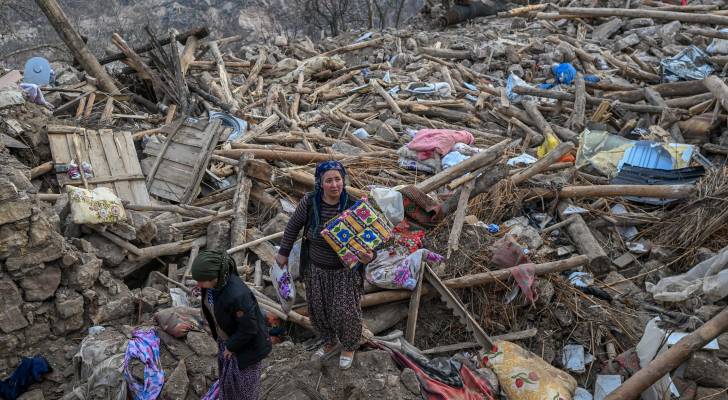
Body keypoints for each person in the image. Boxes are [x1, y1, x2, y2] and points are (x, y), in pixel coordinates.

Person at [276, 160, 374, 370]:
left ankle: (349, 346)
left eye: (337, 179)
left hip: (345, 272)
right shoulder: (310, 202)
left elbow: (369, 241)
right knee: (319, 310)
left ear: (343, 180)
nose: (334, 185)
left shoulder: (353, 205)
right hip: (316, 269)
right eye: (328, 180)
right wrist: (283, 253)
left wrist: (368, 257)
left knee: (345, 311)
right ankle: (329, 342)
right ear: (320, 182)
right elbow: (293, 226)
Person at [191, 250, 271, 400]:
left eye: (201, 281)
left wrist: (231, 346)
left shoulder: (237, 296)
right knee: (228, 385)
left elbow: (249, 328)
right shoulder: (212, 286)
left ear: (214, 277)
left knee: (243, 391)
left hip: (247, 350)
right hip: (229, 341)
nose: (198, 284)